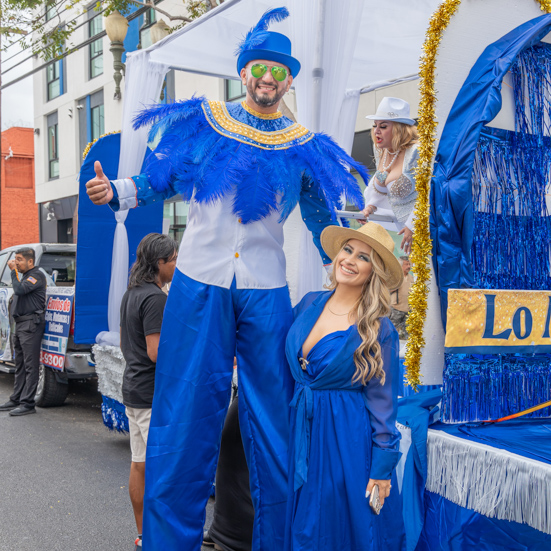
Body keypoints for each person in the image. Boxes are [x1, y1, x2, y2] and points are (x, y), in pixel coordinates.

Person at [84, 7, 366, 550]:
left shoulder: (303, 144)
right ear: (244, 73)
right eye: (259, 67)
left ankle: (278, 541)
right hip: (199, 283)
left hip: (265, 290)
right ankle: (168, 542)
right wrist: (117, 190)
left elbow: (321, 218)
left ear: (289, 78)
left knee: (276, 423)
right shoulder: (205, 123)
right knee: (183, 414)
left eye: (278, 70)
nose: (268, 77)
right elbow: (160, 176)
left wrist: (357, 250)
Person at [285, 222, 402, 550]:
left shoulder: (379, 329)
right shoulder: (309, 303)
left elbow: (383, 404)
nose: (349, 260)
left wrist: (381, 470)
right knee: (300, 521)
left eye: (362, 257)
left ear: (372, 272)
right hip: (300, 430)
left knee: (339, 527)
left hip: (345, 439)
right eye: (347, 250)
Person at [119, 233, 178, 551]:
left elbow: (125, 340)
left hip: (133, 388)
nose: (176, 264)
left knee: (139, 462)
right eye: (174, 259)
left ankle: (143, 533)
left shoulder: (131, 293)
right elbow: (156, 351)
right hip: (151, 391)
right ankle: (158, 534)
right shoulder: (156, 298)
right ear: (160, 263)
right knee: (159, 466)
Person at [362, 97, 419, 255]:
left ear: (400, 129)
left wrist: (413, 225)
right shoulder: (382, 151)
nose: (376, 131)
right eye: (375, 125)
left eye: (383, 126)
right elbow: (380, 189)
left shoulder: (416, 152)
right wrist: (370, 207)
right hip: (401, 231)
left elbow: (429, 194)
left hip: (423, 229)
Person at [0, 248, 47, 416]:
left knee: (30, 365)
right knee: (18, 364)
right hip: (20, 325)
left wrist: (13, 272)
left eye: (19, 259)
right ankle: (16, 398)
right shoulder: (25, 276)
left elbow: (20, 290)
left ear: (30, 261)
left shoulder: (36, 275)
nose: (16, 262)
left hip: (30, 325)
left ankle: (28, 403)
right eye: (15, 259)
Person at [389, 255, 414, 339]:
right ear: (400, 265)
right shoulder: (395, 277)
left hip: (408, 310)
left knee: (409, 334)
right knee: (391, 331)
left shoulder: (411, 278)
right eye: (406, 264)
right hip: (396, 309)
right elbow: (386, 290)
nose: (409, 266)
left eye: (409, 264)